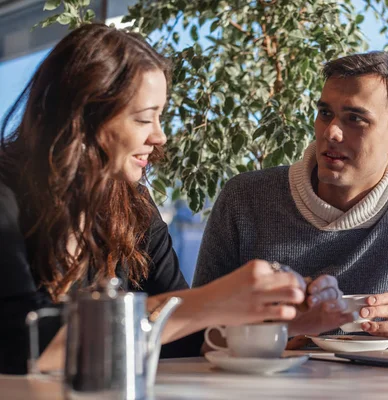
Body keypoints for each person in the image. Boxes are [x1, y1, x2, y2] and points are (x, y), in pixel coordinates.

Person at [0, 23, 349, 375]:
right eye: (143, 118)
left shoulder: (130, 204)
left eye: (160, 116)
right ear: (83, 117)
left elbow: (182, 338)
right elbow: (17, 344)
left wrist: (280, 319)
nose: (160, 136)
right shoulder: (6, 194)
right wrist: (211, 300)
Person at [194, 51, 388, 348]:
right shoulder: (246, 199)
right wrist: (268, 339)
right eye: (325, 113)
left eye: (355, 119)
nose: (331, 133)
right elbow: (196, 329)